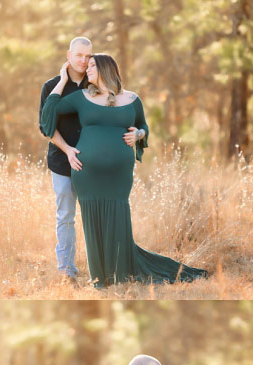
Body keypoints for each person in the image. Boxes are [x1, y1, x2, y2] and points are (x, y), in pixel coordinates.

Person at [40, 54, 208, 288]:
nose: (87, 70)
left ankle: (120, 272)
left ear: (106, 70)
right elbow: (50, 112)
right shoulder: (82, 97)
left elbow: (144, 127)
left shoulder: (132, 99)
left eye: (91, 66)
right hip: (87, 172)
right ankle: (100, 277)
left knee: (118, 214)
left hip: (119, 175)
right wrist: (61, 79)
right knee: (92, 219)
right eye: (86, 66)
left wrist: (138, 134)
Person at [38, 37, 92, 284]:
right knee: (66, 216)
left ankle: (101, 268)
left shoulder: (96, 84)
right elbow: (46, 127)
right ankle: (67, 271)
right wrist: (69, 150)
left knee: (94, 215)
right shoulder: (51, 86)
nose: (84, 60)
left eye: (88, 56)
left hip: (93, 163)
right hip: (62, 161)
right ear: (68, 55)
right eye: (79, 55)